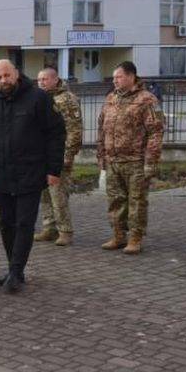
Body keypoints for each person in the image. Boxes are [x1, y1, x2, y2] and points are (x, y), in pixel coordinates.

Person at [0, 60, 66, 294]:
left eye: (7, 75)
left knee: (24, 224)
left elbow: (56, 134)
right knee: (7, 224)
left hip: (31, 172)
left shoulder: (38, 98)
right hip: (0, 174)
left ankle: (15, 271)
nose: (3, 80)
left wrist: (53, 169)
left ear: (16, 73)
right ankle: (14, 269)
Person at [97, 60, 164, 255]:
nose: (115, 80)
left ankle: (135, 238)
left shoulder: (147, 99)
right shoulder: (111, 98)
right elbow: (102, 129)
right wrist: (101, 155)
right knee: (115, 201)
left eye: (119, 77)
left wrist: (150, 162)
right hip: (113, 161)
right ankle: (118, 235)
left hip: (136, 161)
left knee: (136, 201)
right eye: (114, 77)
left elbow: (155, 133)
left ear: (131, 76)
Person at [34, 66, 83, 246]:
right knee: (45, 193)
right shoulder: (41, 99)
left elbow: (74, 130)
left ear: (56, 79)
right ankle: (49, 227)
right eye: (39, 80)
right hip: (42, 155)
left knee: (58, 194)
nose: (41, 83)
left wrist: (68, 155)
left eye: (45, 79)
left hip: (59, 155)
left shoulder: (66, 99)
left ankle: (65, 230)